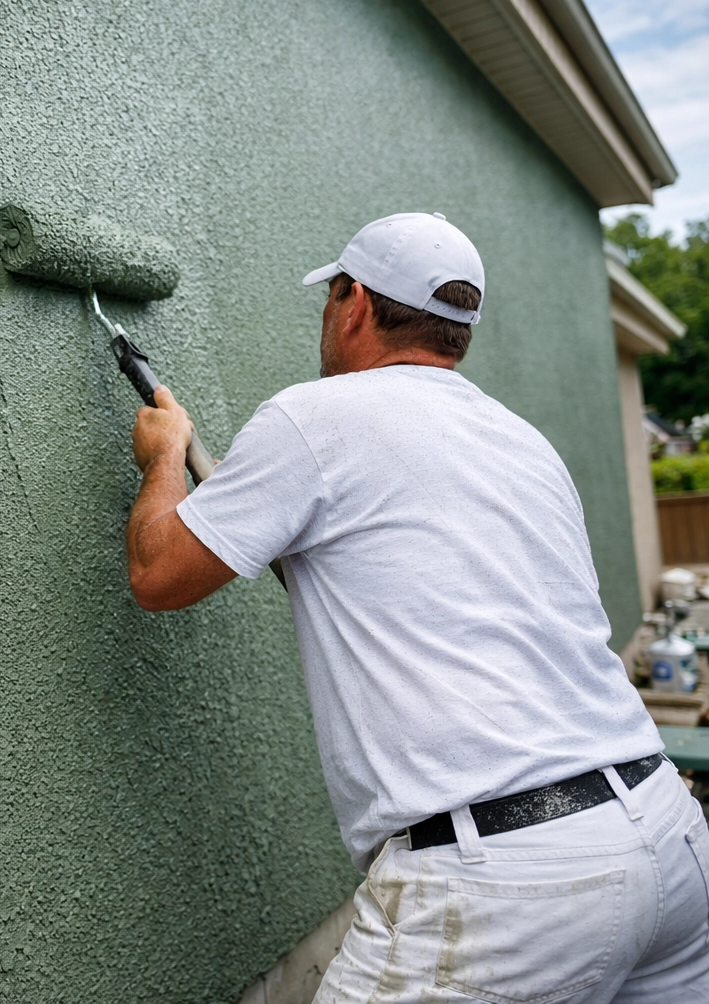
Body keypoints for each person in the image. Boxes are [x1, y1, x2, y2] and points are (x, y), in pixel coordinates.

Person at [126, 212, 709, 1001]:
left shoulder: (316, 417)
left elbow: (159, 574)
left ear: (355, 302)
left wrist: (165, 457)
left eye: (329, 297)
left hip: (507, 886)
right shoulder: (520, 442)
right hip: (666, 839)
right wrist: (246, 505)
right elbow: (393, 580)